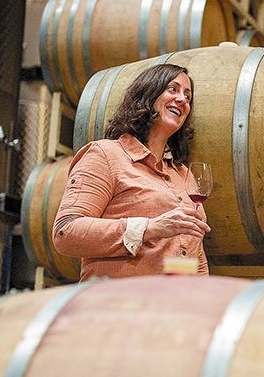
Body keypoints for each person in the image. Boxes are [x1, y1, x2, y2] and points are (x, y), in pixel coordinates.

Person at [53, 63, 210, 280]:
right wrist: (150, 228)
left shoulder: (183, 174)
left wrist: (202, 292)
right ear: (149, 93)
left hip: (173, 299)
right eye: (172, 89)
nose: (182, 99)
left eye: (188, 96)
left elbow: (193, 255)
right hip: (119, 299)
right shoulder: (106, 155)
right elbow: (66, 232)